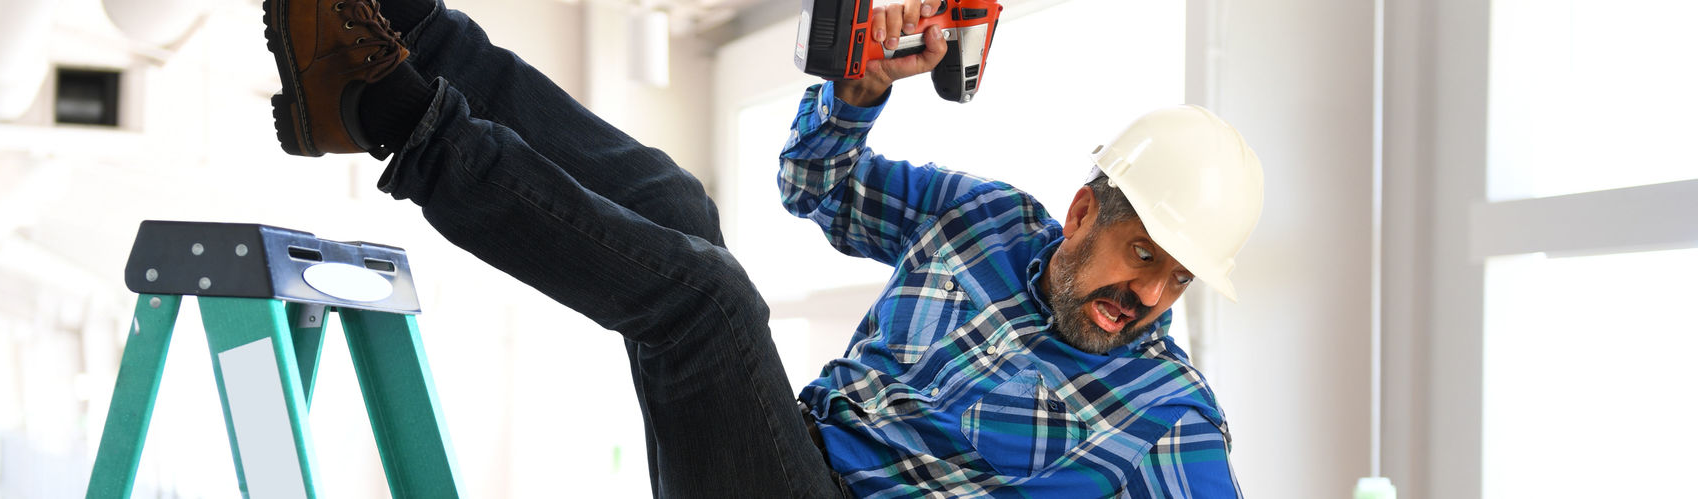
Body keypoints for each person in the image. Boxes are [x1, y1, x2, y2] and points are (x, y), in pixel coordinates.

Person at [262, 0, 1261, 495]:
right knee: (675, 199)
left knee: (706, 302)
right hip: (787, 453)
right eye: (1143, 251)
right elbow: (813, 188)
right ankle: (406, 35)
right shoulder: (986, 220)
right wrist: (856, 95)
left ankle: (395, 114)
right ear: (1084, 211)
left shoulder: (1170, 419)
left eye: (1176, 276)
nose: (1152, 291)